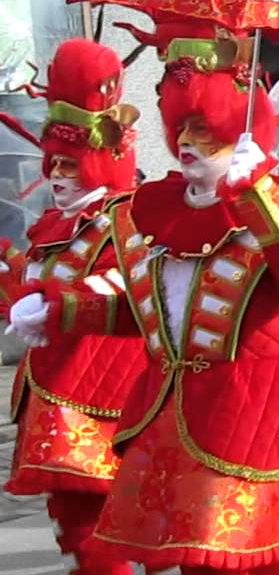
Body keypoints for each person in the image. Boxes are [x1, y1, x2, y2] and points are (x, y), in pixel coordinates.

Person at [8, 23, 279, 574]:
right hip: (173, 417)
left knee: (276, 561)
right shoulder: (150, 213)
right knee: (196, 562)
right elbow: (141, 310)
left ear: (240, 129)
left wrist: (260, 201)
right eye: (181, 128)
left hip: (263, 410)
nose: (187, 144)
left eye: (204, 130)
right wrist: (60, 308)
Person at [3, 39, 144, 575]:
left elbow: (131, 283)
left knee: (104, 520)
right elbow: (30, 287)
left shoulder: (126, 215)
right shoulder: (52, 226)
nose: (57, 175)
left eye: (70, 164)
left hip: (101, 390)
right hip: (52, 387)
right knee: (71, 518)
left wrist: (55, 302)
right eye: (53, 163)